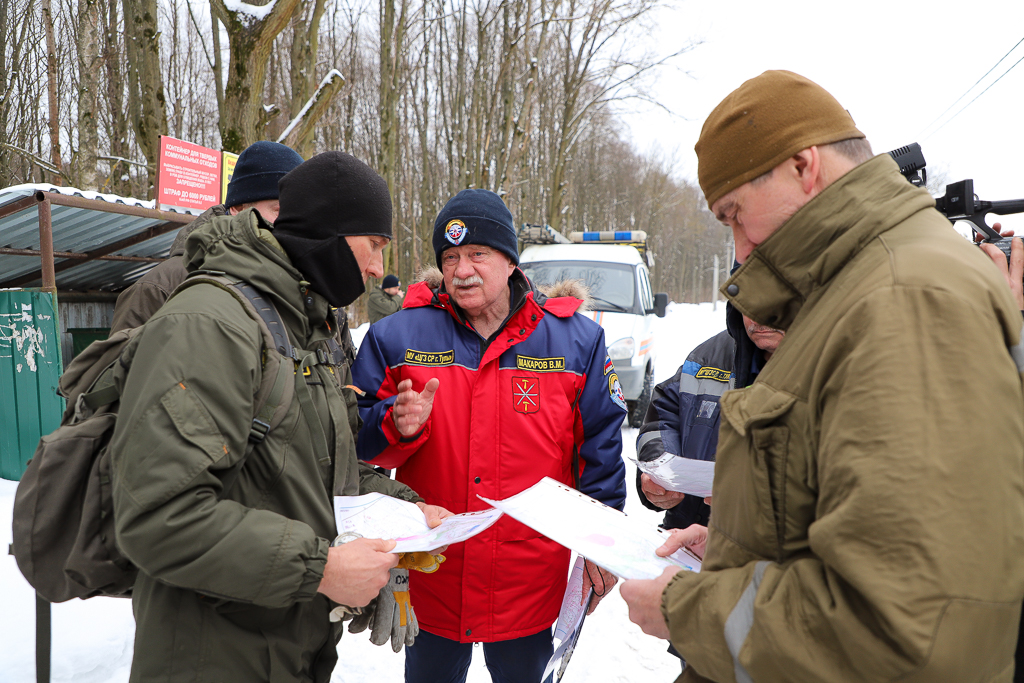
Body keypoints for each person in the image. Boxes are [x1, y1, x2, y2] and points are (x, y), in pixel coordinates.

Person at [620, 70, 1024, 681]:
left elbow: (905, 630)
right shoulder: (861, 289)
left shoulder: (903, 299)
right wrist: (738, 545)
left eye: (735, 215)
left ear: (803, 167)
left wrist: (686, 611)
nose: (739, 250)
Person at [108, 151, 450, 683]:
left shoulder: (304, 327)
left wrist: (407, 511)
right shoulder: (209, 324)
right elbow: (158, 517)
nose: (381, 269)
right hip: (211, 653)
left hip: (293, 642)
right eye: (374, 245)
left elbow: (315, 467)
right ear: (328, 234)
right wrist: (322, 570)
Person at [351, 188, 628, 683]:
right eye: (451, 257)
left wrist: (602, 548)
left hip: (527, 578)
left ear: (509, 260)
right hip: (434, 570)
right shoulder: (397, 336)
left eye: (478, 253)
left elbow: (601, 452)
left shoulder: (576, 341)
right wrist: (394, 421)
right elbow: (354, 440)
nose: (462, 270)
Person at [109, 140, 304, 334]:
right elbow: (120, 363)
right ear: (238, 208)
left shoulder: (300, 284)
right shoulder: (160, 287)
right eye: (279, 210)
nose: (291, 222)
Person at [636, 309, 784, 532]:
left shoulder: (841, 365)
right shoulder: (707, 356)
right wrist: (659, 472)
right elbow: (663, 413)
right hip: (686, 540)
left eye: (771, 301)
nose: (758, 315)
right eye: (747, 302)